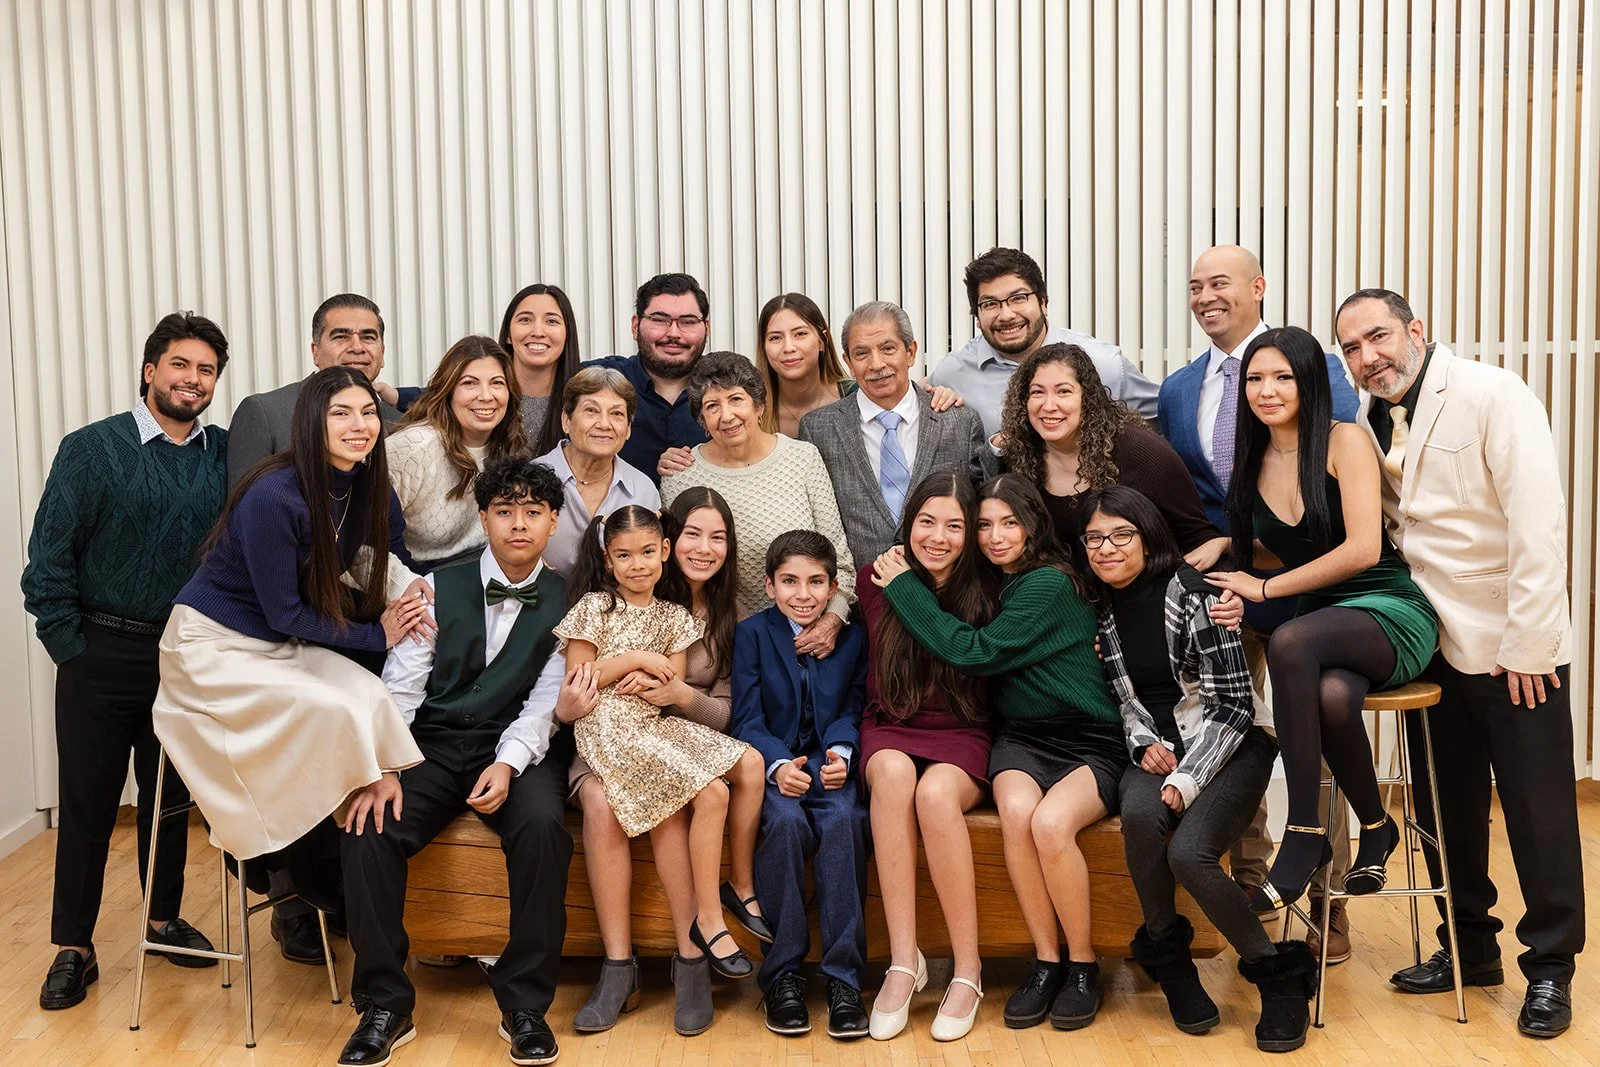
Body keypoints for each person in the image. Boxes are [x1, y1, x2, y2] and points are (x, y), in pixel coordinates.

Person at [1336, 289, 1583, 1040]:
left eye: (1377, 336)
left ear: (1416, 329)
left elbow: (1539, 521)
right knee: (1446, 815)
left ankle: (1550, 969)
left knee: (1539, 817)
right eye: (1351, 347)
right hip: (1428, 649)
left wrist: (1529, 644)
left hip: (1513, 649)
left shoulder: (1491, 392)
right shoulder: (1363, 421)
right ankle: (1468, 949)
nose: (1367, 356)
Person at [152, 367, 430, 946]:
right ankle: (291, 863)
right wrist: (377, 636)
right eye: (341, 413)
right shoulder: (273, 493)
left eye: (368, 412)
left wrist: (418, 598)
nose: (360, 425)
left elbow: (385, 556)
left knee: (367, 696)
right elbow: (284, 612)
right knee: (335, 711)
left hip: (274, 643)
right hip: (211, 645)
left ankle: (344, 846)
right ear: (311, 421)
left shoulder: (361, 483)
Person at [336, 456, 583, 1067]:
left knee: (544, 829)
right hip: (433, 743)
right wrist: (386, 765)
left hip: (519, 745)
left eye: (532, 513)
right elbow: (402, 686)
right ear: (484, 519)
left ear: (554, 521)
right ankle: (384, 1004)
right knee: (369, 827)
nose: (518, 525)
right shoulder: (434, 588)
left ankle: (524, 1004)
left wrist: (508, 764)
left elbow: (547, 703)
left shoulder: (571, 602)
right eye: (505, 512)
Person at [21, 312, 232, 1010]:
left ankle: (163, 920)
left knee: (170, 800)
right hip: (98, 650)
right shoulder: (91, 449)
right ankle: (72, 946)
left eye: (205, 370)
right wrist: (69, 648)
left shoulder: (225, 454)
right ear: (151, 370)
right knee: (87, 804)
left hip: (183, 653)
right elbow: (49, 556)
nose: (192, 380)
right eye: (180, 365)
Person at [1156, 246, 1361, 947]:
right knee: (1229, 730)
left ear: (1258, 286)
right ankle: (1252, 875)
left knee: (1317, 739)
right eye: (1194, 287)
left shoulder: (1312, 366)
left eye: (1220, 282)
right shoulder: (1181, 388)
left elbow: (1336, 472)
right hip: (1226, 586)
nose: (1206, 295)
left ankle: (1328, 898)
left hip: (1306, 586)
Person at [872, 474, 1126, 1032]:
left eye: (1010, 522)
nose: (995, 536)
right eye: (983, 524)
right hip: (1023, 738)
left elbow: (974, 652)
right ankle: (1045, 961)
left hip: (1086, 736)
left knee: (1051, 824)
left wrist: (904, 588)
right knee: (1015, 814)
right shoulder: (994, 580)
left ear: (1034, 523)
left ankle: (1083, 964)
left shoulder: (1047, 583)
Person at [1206, 326, 1438, 921]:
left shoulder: (1344, 441)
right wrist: (1229, 560)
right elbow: (1282, 548)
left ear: (1309, 380)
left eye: (1283, 376)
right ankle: (1377, 825)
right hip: (1323, 626)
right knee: (1333, 697)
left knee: (1288, 637)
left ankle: (1304, 831)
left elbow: (1361, 548)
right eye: (1255, 378)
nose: (1267, 389)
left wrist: (1264, 589)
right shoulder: (1251, 458)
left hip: (1386, 608)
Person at [1079, 486, 1316, 1053]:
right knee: (1139, 816)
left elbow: (1234, 705)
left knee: (1189, 853)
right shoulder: (1100, 608)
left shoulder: (1193, 592)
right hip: (1158, 747)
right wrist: (1142, 745)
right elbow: (1122, 700)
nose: (1106, 548)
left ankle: (1277, 979)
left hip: (1232, 742)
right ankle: (1173, 965)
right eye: (1094, 539)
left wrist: (1186, 778)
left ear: (1147, 535)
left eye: (1120, 535)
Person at [567, 487, 768, 1034]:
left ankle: (700, 942)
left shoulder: (711, 616)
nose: (703, 549)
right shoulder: (600, 605)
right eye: (693, 536)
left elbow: (678, 684)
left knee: (727, 781)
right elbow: (578, 683)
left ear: (661, 547)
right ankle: (623, 965)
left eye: (718, 537)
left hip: (664, 728)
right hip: (607, 733)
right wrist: (634, 662)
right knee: (623, 805)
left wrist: (671, 689)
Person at [856, 472, 994, 1043]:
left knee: (936, 795)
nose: (938, 537)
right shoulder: (874, 577)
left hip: (962, 732)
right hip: (890, 722)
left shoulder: (989, 587)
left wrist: (908, 589)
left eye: (955, 525)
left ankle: (967, 968)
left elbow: (966, 655)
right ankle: (903, 961)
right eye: (927, 522)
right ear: (908, 522)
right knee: (891, 773)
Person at [732, 531, 871, 1040]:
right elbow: (746, 717)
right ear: (769, 585)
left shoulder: (852, 636)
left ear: (833, 586)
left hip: (829, 763)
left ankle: (843, 979)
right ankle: (783, 975)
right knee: (785, 824)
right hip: (779, 765)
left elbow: (855, 705)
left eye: (816, 582)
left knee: (843, 822)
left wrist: (843, 752)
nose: (803, 594)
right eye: (789, 581)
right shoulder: (751, 634)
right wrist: (775, 765)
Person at [661, 352, 856, 631]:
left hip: (806, 628)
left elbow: (840, 561)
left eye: (736, 399)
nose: (727, 416)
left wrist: (832, 620)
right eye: (712, 406)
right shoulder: (680, 474)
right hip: (718, 637)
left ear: (759, 406)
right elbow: (675, 573)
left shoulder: (802, 459)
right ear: (701, 419)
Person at [799, 301, 995, 568]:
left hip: (945, 593)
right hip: (858, 595)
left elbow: (981, 504)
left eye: (888, 348)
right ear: (848, 362)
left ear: (911, 352)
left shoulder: (959, 421)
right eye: (861, 353)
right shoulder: (818, 429)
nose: (876, 364)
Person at [1001, 343, 1228, 569]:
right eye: (1037, 392)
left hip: (1151, 595)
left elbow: (1200, 540)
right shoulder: (1020, 457)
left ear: (1087, 398)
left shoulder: (1140, 451)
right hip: (1069, 597)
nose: (1049, 405)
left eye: (1064, 392)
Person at [929, 247, 1158, 438]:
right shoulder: (953, 374)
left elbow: (1164, 421)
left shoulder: (1104, 363)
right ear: (977, 318)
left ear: (1043, 302)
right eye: (990, 304)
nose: (1006, 315)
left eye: (1018, 298)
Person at [226, 293, 403, 485]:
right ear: (315, 351)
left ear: (382, 353)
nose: (357, 347)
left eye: (368, 337)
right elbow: (242, 504)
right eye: (341, 337)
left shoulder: (400, 425)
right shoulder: (265, 413)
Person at [386, 335, 526, 570]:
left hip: (477, 574)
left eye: (497, 383)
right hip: (409, 578)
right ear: (448, 390)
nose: (485, 395)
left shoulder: (510, 445)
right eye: (469, 383)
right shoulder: (413, 448)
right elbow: (366, 546)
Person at [534, 367, 659, 574]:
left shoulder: (643, 490)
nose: (604, 424)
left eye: (617, 414)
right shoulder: (530, 479)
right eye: (591, 411)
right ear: (566, 420)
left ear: (628, 429)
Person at [591, 273, 712, 480]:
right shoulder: (597, 381)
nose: (674, 333)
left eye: (688, 322)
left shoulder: (727, 390)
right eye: (660, 320)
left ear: (706, 328)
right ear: (635, 326)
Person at [498, 282, 582, 455]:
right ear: (508, 334)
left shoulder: (585, 401)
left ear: (567, 334)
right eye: (525, 320)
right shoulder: (484, 397)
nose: (538, 331)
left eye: (551, 321)